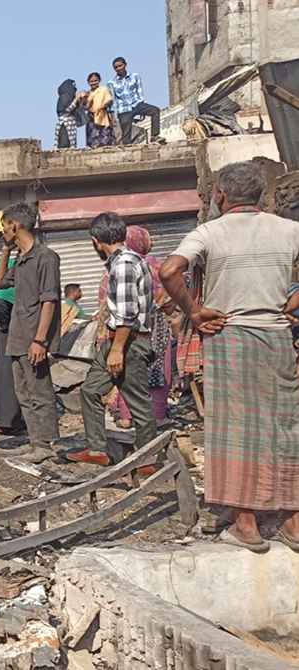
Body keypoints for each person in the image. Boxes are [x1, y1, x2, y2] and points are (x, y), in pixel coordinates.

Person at [161, 161, 299, 552]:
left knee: (235, 433)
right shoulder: (289, 230)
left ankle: (246, 523)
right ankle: (293, 522)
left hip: (228, 336)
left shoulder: (209, 231)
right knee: (285, 428)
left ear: (221, 195)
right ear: (262, 196)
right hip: (276, 337)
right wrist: (292, 303)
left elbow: (170, 271)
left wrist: (192, 310)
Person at [74, 213, 157, 467]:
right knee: (90, 390)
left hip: (129, 343)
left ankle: (147, 461)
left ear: (96, 241)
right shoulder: (123, 262)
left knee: (138, 405)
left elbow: (127, 314)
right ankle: (98, 449)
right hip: (116, 340)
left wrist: (117, 350)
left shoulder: (124, 265)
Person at [0, 202, 62, 452]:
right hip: (18, 336)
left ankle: (46, 444)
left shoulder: (45, 257)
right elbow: (1, 282)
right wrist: (5, 249)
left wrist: (40, 340)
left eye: (4, 227)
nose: (3, 231)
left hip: (34, 336)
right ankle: (37, 442)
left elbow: (49, 300)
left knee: (39, 392)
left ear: (15, 225)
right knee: (23, 393)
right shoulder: (22, 259)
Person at [102, 226, 174, 427]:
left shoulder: (118, 266)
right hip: (155, 325)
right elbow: (172, 294)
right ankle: (157, 415)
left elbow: (106, 299)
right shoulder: (158, 267)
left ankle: (126, 416)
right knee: (158, 368)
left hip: (125, 330)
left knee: (130, 372)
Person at [0, 257, 26, 435]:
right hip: (11, 335)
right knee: (10, 375)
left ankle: (0, 419)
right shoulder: (14, 291)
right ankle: (10, 421)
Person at [110, 57, 161, 145]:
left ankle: (154, 136)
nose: (118, 68)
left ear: (125, 65)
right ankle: (127, 149)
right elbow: (113, 99)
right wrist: (115, 115)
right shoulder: (112, 83)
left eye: (120, 66)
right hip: (124, 109)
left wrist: (141, 105)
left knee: (155, 110)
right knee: (126, 135)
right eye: (116, 67)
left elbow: (140, 91)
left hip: (137, 104)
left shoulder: (135, 76)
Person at [84, 73, 116, 148]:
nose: (93, 83)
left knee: (105, 136)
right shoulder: (88, 93)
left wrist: (102, 107)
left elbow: (109, 101)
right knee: (92, 138)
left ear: (99, 81)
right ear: (88, 82)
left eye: (95, 80)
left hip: (102, 115)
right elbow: (85, 107)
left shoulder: (103, 89)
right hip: (91, 117)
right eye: (91, 81)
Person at [54, 79, 85, 149]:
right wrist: (76, 99)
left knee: (71, 145)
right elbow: (67, 111)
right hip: (65, 125)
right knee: (64, 145)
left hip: (71, 125)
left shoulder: (71, 98)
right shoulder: (64, 98)